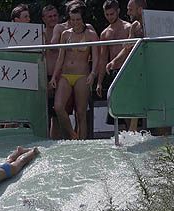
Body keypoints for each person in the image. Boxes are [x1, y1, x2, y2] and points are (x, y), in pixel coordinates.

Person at [49, 1, 99, 140]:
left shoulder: (91, 34)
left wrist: (93, 74)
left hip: (82, 75)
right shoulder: (65, 34)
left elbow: (96, 57)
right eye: (72, 20)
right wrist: (54, 77)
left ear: (83, 19)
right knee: (58, 107)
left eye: (78, 19)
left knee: (81, 113)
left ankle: (81, 142)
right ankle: (72, 135)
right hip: (65, 74)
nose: (75, 22)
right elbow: (60, 58)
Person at [106, 0, 147, 131]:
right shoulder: (134, 26)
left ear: (140, 10)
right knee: (128, 98)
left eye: (130, 9)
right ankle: (132, 132)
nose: (128, 12)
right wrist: (114, 61)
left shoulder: (152, 24)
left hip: (151, 70)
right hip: (137, 70)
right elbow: (127, 47)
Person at [95, 0, 131, 128]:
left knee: (129, 104)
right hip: (113, 71)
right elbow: (103, 58)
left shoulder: (128, 28)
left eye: (112, 14)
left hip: (127, 69)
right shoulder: (105, 33)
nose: (109, 17)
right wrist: (99, 82)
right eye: (107, 14)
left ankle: (133, 132)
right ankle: (123, 135)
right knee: (116, 106)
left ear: (118, 12)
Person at [42, 5, 61, 139]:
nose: (53, 18)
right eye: (49, 16)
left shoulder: (64, 31)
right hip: (43, 76)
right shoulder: (37, 34)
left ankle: (57, 140)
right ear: (43, 19)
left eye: (55, 15)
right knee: (44, 112)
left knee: (57, 113)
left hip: (60, 76)